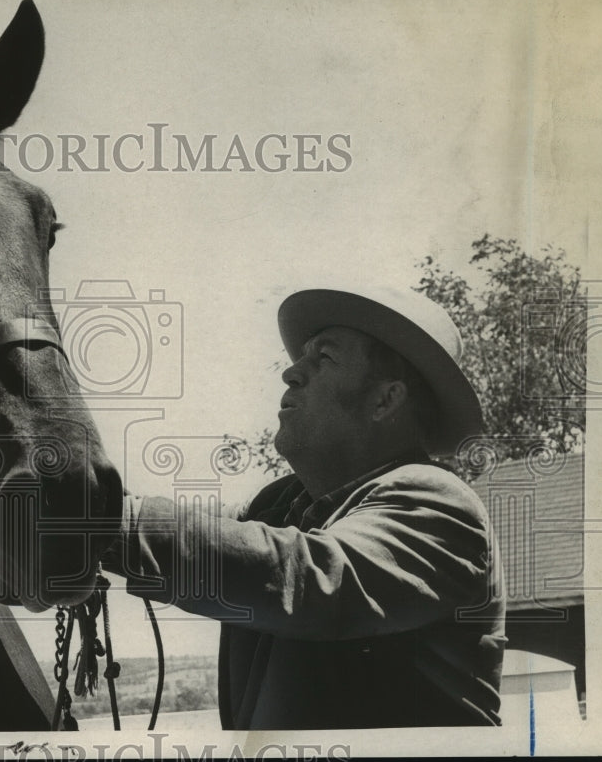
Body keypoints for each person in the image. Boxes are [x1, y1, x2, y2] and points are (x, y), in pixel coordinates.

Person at [107, 284, 506, 729]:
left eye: (325, 359)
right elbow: (208, 532)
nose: (291, 373)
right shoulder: (279, 506)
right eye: (302, 357)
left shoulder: (440, 504)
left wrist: (100, 527)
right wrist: (46, 522)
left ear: (385, 400)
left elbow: (310, 576)